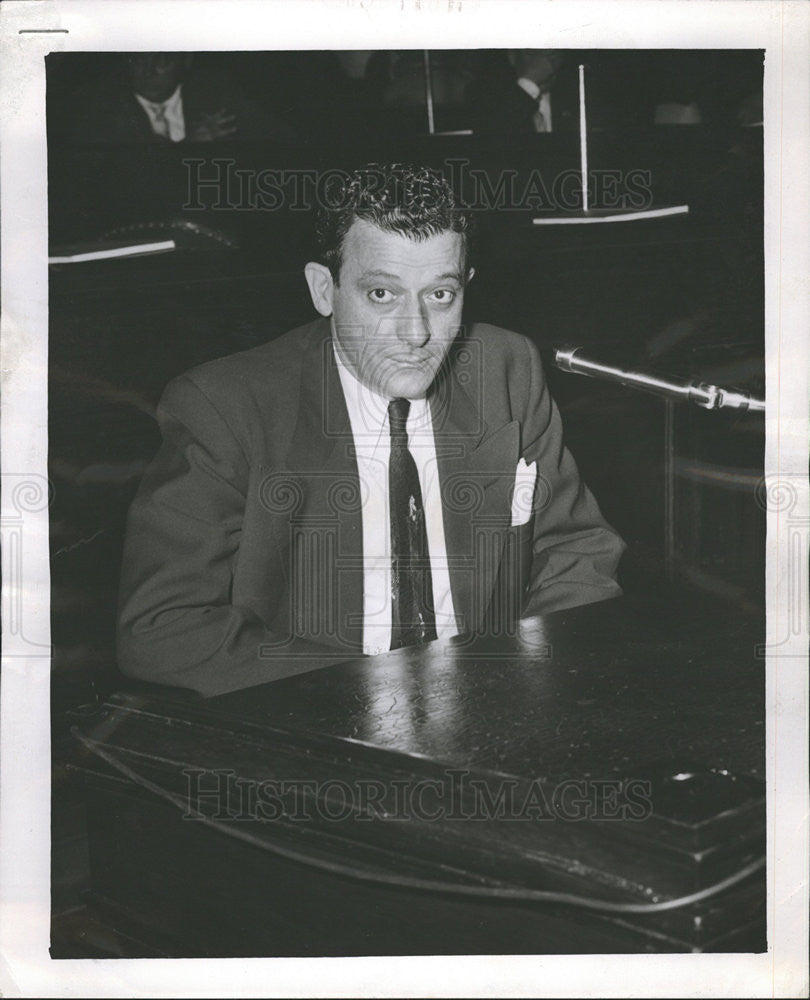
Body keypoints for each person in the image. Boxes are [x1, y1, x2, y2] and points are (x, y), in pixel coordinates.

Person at [117, 163, 624, 697]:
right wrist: (370, 690)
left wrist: (525, 680)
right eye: (382, 295)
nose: (417, 333)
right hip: (317, 718)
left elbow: (576, 552)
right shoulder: (229, 405)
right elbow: (162, 628)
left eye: (440, 295)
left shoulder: (506, 367)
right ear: (323, 289)